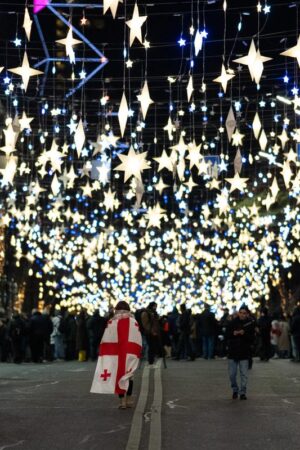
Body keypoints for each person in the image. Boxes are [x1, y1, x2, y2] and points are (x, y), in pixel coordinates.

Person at [90, 301, 142, 409]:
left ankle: (122, 402)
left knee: (118, 375)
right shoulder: (133, 321)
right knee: (129, 376)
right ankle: (128, 400)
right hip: (129, 354)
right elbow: (138, 338)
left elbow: (107, 338)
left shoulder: (112, 322)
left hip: (116, 354)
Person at [226, 306, 255, 400]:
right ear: (238, 313)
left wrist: (244, 333)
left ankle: (242, 392)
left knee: (244, 374)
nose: (242, 315)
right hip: (233, 352)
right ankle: (235, 390)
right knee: (232, 374)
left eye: (244, 313)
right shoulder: (232, 323)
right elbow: (226, 335)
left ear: (247, 314)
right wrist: (233, 333)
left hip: (244, 352)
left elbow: (252, 339)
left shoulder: (250, 324)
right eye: (241, 312)